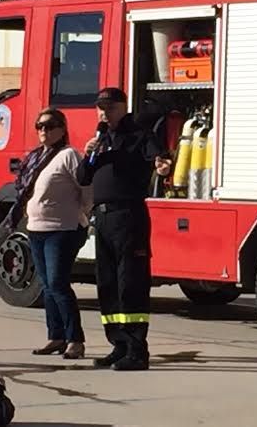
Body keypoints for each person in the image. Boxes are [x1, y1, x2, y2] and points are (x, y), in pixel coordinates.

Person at [77, 87, 171, 371]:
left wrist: (163, 165)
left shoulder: (139, 135)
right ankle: (118, 344)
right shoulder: (102, 139)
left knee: (130, 282)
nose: (104, 112)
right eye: (100, 108)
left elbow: (160, 158)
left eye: (110, 107)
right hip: (103, 219)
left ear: (123, 107)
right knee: (108, 284)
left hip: (128, 217)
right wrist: (88, 153)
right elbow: (83, 177)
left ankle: (137, 350)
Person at [7, 107, 93, 359]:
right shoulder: (35, 157)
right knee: (46, 285)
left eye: (50, 125)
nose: (43, 130)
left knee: (57, 283)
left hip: (62, 229)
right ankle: (55, 336)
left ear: (62, 129)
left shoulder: (69, 156)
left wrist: (82, 215)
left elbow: (86, 189)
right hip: (37, 229)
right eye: (39, 126)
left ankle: (75, 339)